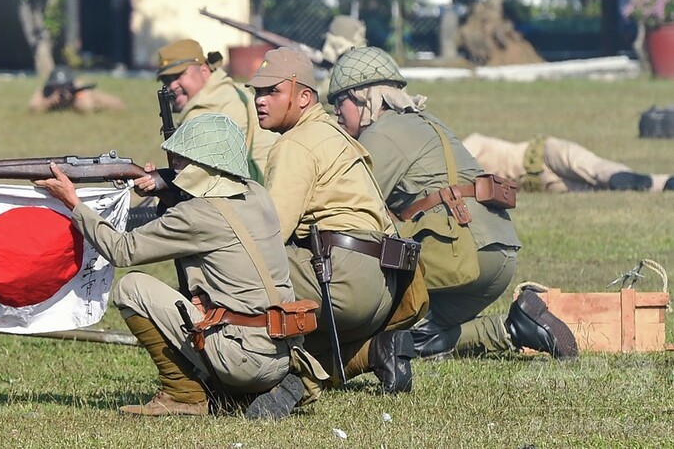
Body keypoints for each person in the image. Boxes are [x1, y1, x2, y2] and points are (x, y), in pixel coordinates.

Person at [34, 113, 327, 419]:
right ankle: (242, 393)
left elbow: (122, 250)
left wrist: (74, 203)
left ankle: (183, 395)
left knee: (132, 288)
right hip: (284, 353)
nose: (174, 164)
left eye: (180, 159)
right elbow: (208, 214)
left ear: (200, 164)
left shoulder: (195, 215)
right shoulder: (258, 194)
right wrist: (164, 190)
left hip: (242, 358)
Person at [326, 46, 578, 360]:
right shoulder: (428, 121)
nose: (335, 112)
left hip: (459, 252)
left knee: (375, 326)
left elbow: (343, 208)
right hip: (498, 254)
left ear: (366, 98)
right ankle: (514, 327)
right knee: (414, 339)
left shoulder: (381, 136)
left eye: (340, 101)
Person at [246, 47, 429, 394]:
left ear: (303, 97)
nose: (260, 100)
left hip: (341, 282)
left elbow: (269, 236)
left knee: (232, 267)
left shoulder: (295, 144)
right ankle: (375, 352)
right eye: (257, 92)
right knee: (309, 354)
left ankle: (237, 375)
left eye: (273, 91)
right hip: (383, 290)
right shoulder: (336, 133)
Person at [156, 39, 278, 182]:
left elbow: (190, 180)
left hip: (254, 191)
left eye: (178, 76)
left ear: (204, 70)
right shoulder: (233, 89)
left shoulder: (202, 113)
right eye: (166, 80)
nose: (172, 86)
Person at [463, 133, 674, 192]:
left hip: (543, 154)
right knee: (597, 188)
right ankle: (662, 183)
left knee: (596, 170)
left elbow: (462, 158)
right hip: (542, 184)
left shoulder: (471, 143)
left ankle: (656, 181)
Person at [28, 65, 125, 113]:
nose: (60, 90)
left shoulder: (80, 90)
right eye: (57, 87)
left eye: (64, 86)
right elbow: (32, 108)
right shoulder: (45, 91)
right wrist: (49, 102)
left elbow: (86, 109)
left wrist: (75, 98)